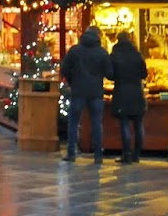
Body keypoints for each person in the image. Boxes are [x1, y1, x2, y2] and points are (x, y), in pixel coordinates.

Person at [62, 26, 112, 163]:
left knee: (73, 122)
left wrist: (72, 82)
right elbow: (110, 73)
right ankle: (98, 155)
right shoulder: (102, 52)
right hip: (96, 92)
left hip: (78, 90)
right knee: (96, 123)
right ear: (98, 37)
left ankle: (71, 153)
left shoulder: (75, 51)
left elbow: (64, 69)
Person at [109, 31, 148, 164]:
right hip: (137, 92)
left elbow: (110, 74)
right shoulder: (137, 54)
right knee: (138, 125)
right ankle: (137, 154)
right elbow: (144, 74)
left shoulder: (115, 54)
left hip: (121, 92)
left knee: (124, 124)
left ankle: (126, 154)